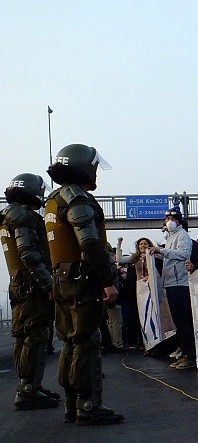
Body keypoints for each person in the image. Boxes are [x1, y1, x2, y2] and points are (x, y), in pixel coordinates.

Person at [45, 143, 124, 425]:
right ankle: (89, 405)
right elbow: (90, 242)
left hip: (62, 279)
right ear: (84, 166)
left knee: (69, 341)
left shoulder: (53, 201)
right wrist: (108, 280)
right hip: (82, 280)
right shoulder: (78, 200)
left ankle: (71, 404)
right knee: (88, 342)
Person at [0, 173, 60, 410]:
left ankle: (31, 385)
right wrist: (49, 284)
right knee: (35, 336)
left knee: (24, 337)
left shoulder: (8, 216)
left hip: (19, 284)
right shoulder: (23, 216)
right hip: (31, 286)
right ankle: (27, 389)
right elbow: (28, 253)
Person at [149, 207, 195, 370]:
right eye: (167, 218)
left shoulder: (182, 236)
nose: (169, 221)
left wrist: (162, 250)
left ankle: (190, 355)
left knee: (182, 320)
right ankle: (185, 351)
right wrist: (159, 253)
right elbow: (170, 255)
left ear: (179, 221)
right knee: (179, 321)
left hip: (179, 283)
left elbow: (183, 254)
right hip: (171, 282)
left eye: (173, 219)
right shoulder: (172, 237)